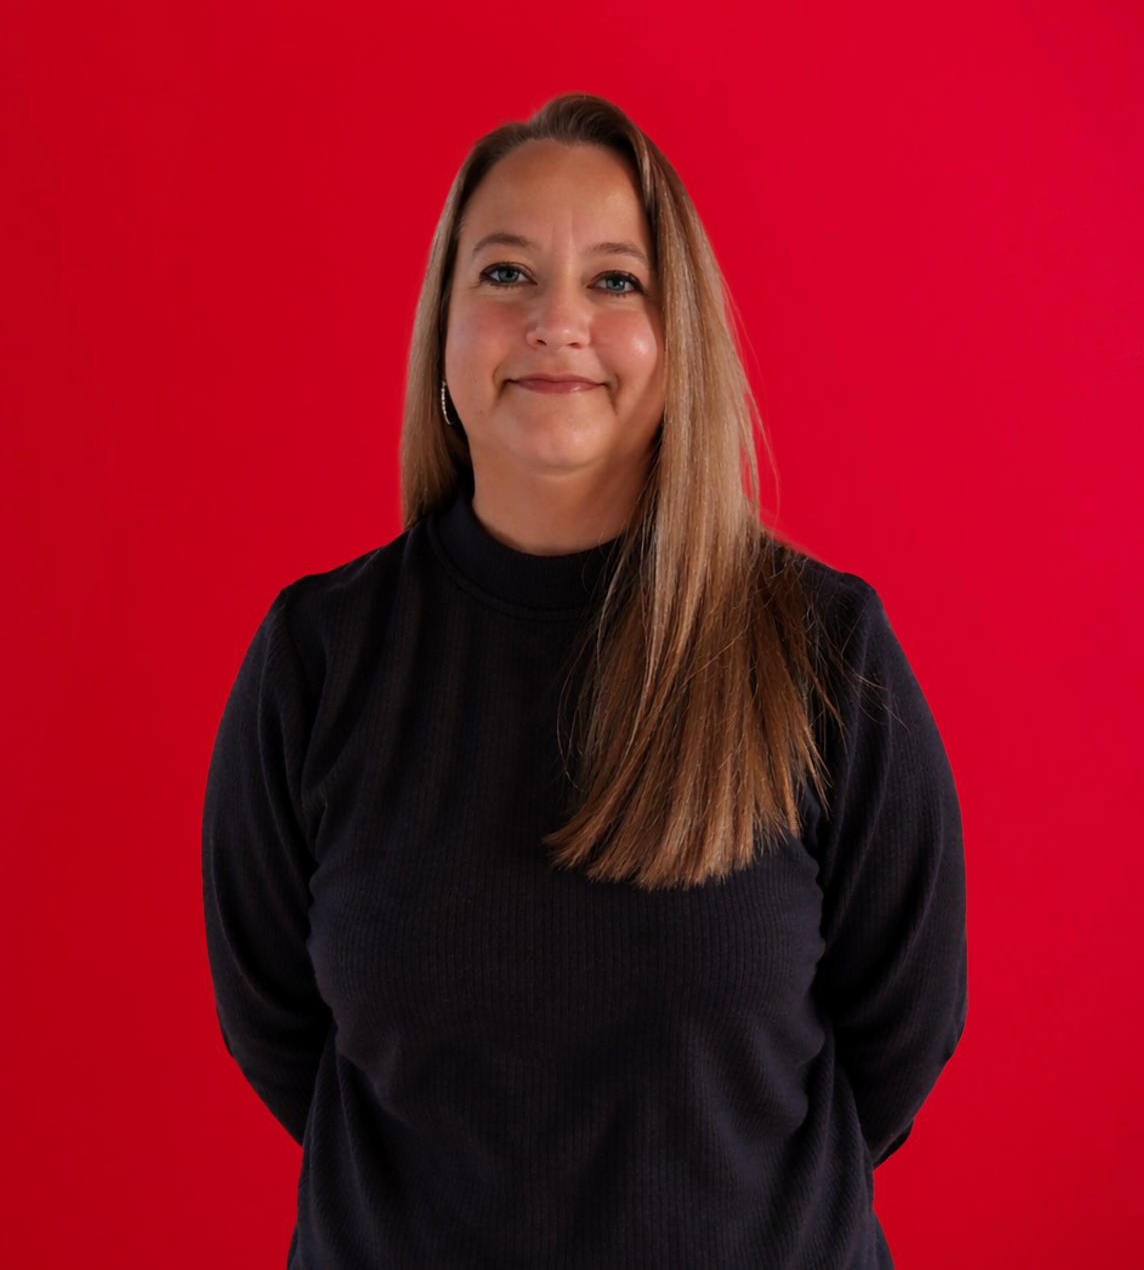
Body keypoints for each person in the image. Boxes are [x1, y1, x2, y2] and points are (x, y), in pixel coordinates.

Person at [200, 94, 966, 1269]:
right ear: (441, 329)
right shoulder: (315, 656)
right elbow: (273, 1022)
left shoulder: (820, 647)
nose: (555, 322)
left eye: (615, 282)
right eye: (504, 272)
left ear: (679, 338)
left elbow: (899, 1030)